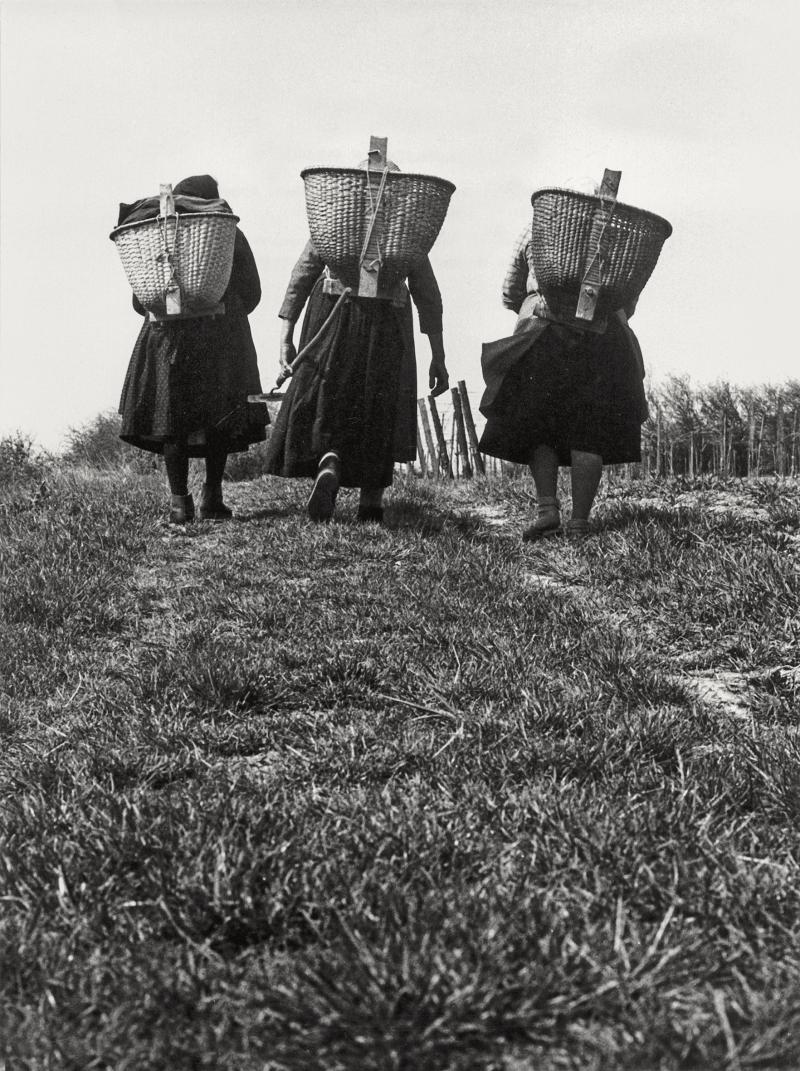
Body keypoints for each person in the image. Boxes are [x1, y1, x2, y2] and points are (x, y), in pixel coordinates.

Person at [264, 159, 449, 524]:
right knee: (381, 404)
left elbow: (301, 275)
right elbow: (429, 295)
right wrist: (438, 357)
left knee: (331, 397)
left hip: (333, 312)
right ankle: (371, 503)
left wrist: (285, 339)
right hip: (388, 320)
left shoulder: (335, 222)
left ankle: (329, 461)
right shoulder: (406, 231)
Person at [478, 220, 648, 540]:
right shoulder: (616, 238)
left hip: (545, 331)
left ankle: (547, 510)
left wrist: (538, 305)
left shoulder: (539, 227)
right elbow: (629, 299)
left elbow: (510, 291)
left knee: (541, 426)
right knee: (589, 432)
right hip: (602, 339)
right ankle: (579, 523)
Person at [118, 174, 266, 524]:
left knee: (170, 417)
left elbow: (141, 301)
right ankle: (212, 497)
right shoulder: (226, 232)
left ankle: (178, 502)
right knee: (218, 416)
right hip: (220, 337)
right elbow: (253, 291)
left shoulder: (156, 234)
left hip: (165, 340)